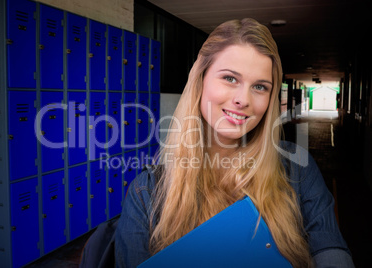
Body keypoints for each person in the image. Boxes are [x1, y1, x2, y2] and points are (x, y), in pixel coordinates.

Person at [114, 18, 354, 268]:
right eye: (230, 78)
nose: (243, 99)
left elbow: (330, 248)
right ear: (200, 80)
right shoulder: (148, 192)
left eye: (260, 86)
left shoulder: (297, 168)